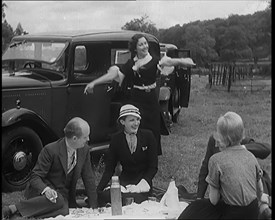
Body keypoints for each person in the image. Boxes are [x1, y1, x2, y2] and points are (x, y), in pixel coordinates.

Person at [84, 33, 195, 155]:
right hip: (136, 99)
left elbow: (173, 61)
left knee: (152, 128)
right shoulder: (131, 63)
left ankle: (151, 156)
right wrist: (94, 83)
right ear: (135, 48)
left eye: (145, 43)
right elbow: (113, 75)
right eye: (141, 44)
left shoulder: (156, 60)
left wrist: (184, 61)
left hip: (150, 99)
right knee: (135, 126)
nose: (144, 46)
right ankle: (135, 154)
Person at [2, 117, 98, 219]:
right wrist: (46, 190)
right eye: (85, 137)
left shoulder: (84, 150)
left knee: (65, 210)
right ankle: (14, 208)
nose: (88, 139)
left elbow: (89, 178)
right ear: (74, 138)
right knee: (60, 202)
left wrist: (94, 207)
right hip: (42, 192)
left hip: (62, 196)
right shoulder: (50, 150)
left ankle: (20, 214)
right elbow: (35, 177)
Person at [178, 111, 265, 219]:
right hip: (252, 211)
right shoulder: (251, 156)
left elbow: (214, 200)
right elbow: (260, 189)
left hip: (231, 213)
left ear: (222, 137)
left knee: (195, 208)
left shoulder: (216, 160)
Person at [96, 104, 158, 206]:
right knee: (108, 196)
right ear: (122, 122)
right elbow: (110, 169)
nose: (136, 123)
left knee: (134, 200)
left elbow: (153, 167)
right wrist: (98, 190)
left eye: (137, 119)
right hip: (124, 182)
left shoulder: (148, 136)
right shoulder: (116, 139)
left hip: (142, 183)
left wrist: (142, 184)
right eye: (132, 120)